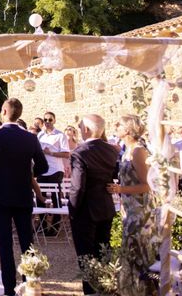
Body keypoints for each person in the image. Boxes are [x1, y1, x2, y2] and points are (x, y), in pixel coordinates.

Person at [0, 98, 48, 296]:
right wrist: (28, 173)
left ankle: (8, 289)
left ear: (4, 111)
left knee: (4, 243)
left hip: (0, 196)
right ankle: (30, 285)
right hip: (23, 193)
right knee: (27, 242)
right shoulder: (31, 138)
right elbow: (44, 166)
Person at [107, 115, 159, 296]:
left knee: (138, 253)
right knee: (129, 253)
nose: (115, 126)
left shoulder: (138, 151)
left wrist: (120, 188)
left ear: (128, 129)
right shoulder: (127, 150)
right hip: (130, 210)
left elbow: (147, 185)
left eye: (119, 124)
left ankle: (144, 291)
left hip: (141, 213)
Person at [68, 115, 119, 295]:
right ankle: (105, 289)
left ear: (86, 130)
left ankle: (90, 292)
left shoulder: (80, 152)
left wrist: (72, 209)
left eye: (81, 126)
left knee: (86, 256)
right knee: (103, 252)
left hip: (85, 210)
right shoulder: (111, 150)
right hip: (105, 205)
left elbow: (77, 186)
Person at [36, 111, 70, 235]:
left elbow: (66, 154)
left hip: (55, 169)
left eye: (50, 120)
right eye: (45, 120)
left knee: (56, 198)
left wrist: (51, 153)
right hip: (43, 170)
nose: (47, 122)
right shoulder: (40, 135)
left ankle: (55, 227)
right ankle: (43, 225)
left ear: (54, 120)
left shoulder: (60, 135)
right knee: (40, 197)